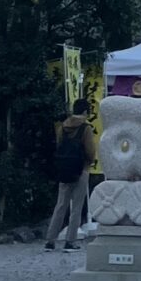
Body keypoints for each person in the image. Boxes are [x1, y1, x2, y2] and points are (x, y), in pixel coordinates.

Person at [44, 104, 93, 251]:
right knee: (76, 207)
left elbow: (59, 146)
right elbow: (90, 151)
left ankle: (50, 240)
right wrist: (88, 162)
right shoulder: (86, 128)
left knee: (60, 205)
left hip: (64, 169)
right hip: (81, 169)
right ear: (85, 111)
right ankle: (70, 241)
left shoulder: (62, 127)